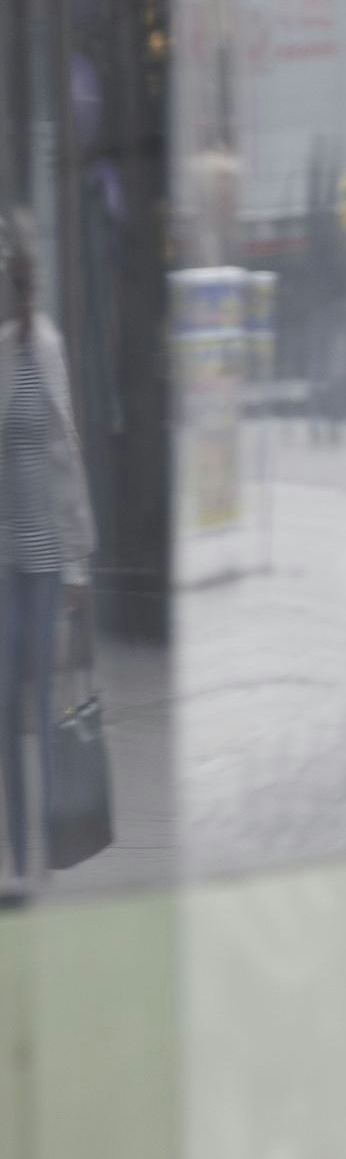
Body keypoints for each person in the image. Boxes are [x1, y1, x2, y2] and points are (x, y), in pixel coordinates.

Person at [1, 220, 96, 891]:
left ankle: (48, 844)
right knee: (8, 703)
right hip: (4, 558)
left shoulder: (48, 350)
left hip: (45, 560)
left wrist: (77, 563)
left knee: (44, 708)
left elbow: (68, 455)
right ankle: (19, 845)